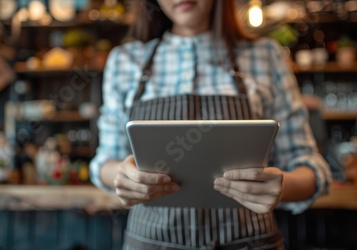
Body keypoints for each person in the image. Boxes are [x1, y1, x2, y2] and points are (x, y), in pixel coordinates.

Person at [90, 0, 332, 249]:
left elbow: (310, 167)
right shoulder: (124, 61)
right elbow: (105, 161)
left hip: (250, 242)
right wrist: (122, 176)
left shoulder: (265, 55)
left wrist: (283, 187)